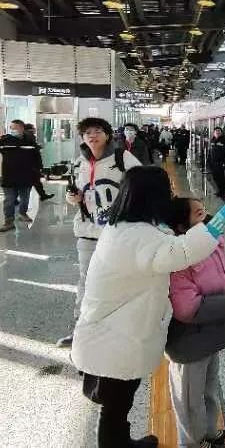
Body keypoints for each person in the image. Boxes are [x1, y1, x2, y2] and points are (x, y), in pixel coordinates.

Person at [71, 167, 225, 448]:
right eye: (166, 191)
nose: (170, 196)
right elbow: (184, 251)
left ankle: (122, 441)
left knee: (117, 403)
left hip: (114, 333)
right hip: (114, 338)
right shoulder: (138, 237)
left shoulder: (127, 228)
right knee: (115, 404)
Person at [56, 117, 143, 348]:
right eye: (87, 133)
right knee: (86, 280)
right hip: (87, 231)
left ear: (107, 134)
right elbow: (73, 194)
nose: (92, 136)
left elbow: (143, 186)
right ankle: (80, 330)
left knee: (120, 279)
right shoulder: (79, 163)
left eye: (97, 131)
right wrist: (72, 198)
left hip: (117, 233)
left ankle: (120, 329)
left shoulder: (123, 158)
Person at [166, 197, 225, 448]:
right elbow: (187, 308)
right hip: (189, 342)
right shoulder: (178, 257)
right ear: (181, 226)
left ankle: (210, 433)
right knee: (190, 400)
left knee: (209, 390)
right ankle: (193, 443)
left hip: (210, 335)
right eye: (199, 214)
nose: (207, 217)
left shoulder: (211, 240)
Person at [0, 119, 41, 232]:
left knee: (25, 198)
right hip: (9, 176)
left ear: (22, 128)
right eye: (11, 128)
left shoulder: (30, 141)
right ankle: (9, 222)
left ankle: (22, 213)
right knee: (9, 200)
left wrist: (38, 169)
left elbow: (37, 156)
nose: (12, 130)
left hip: (26, 176)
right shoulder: (5, 141)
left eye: (15, 128)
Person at [24, 124, 54, 201]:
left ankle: (43, 195)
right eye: (33, 128)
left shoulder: (28, 136)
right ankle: (16, 199)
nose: (34, 129)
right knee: (32, 181)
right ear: (29, 129)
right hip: (31, 164)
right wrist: (37, 147)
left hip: (30, 164)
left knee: (36, 181)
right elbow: (31, 149)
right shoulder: (29, 137)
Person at [207, 127, 225, 198]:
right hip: (212, 162)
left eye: (219, 131)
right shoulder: (212, 140)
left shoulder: (224, 140)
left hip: (220, 162)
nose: (217, 132)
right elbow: (210, 151)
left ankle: (223, 192)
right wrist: (208, 160)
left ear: (221, 133)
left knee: (221, 177)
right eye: (216, 131)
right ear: (214, 133)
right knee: (215, 177)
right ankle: (219, 190)